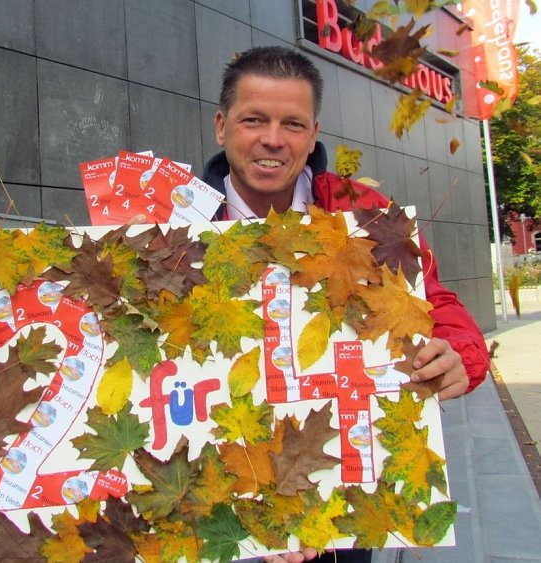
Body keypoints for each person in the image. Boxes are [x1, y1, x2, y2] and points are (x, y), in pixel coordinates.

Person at [202, 46, 491, 563]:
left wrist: (460, 354)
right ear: (222, 126)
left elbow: (433, 301)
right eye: (253, 120)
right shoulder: (169, 224)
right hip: (219, 502)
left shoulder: (364, 211)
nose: (272, 138)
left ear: (313, 134)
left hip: (341, 486)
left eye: (292, 123)